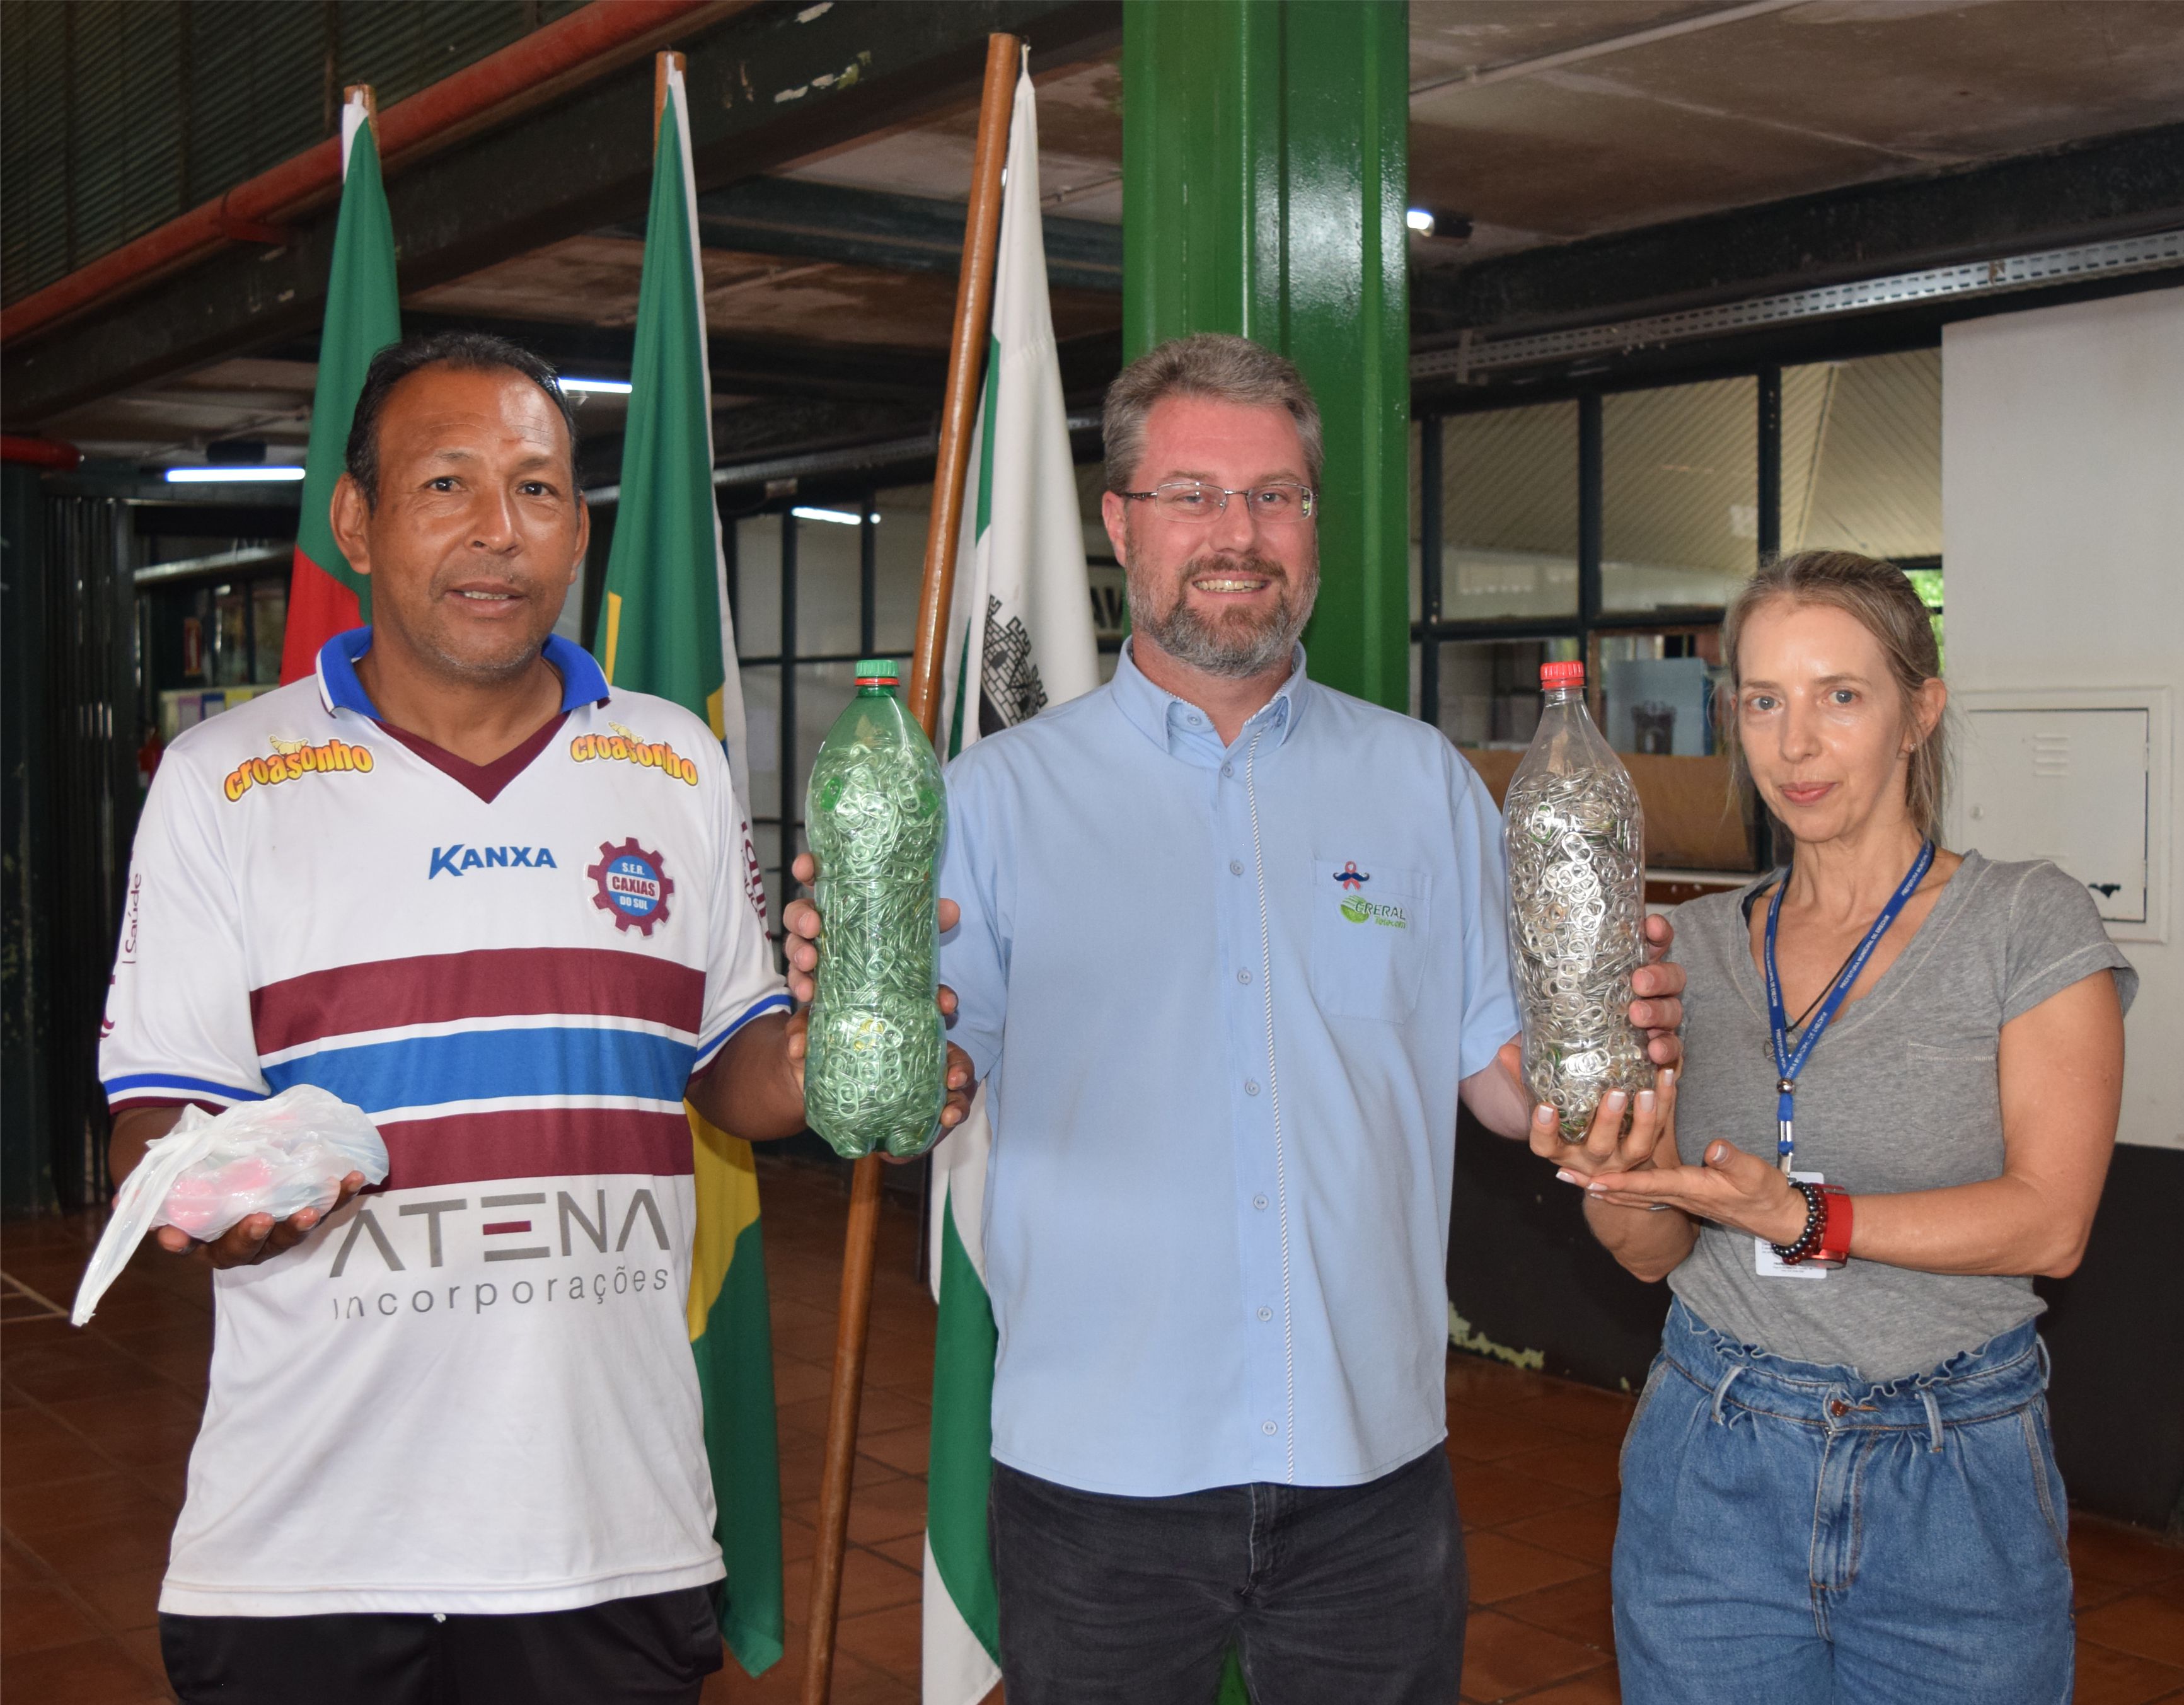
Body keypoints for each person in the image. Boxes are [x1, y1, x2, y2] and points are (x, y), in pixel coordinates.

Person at [785, 333, 1687, 1704]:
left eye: (1272, 496)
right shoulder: (986, 799)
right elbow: (931, 1090)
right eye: (1191, 494)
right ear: (1117, 523)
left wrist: (1600, 1044)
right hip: (1096, 1475)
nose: (1236, 534)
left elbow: (1499, 1074)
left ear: (1312, 523)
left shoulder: (1422, 784)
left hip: (1369, 1468)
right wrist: (869, 1028)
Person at [100, 331, 969, 1705]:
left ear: (579, 526)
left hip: (605, 1535)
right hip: (306, 1550)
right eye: (445, 484)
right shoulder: (228, 780)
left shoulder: (668, 760)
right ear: (356, 521)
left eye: (540, 490)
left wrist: (843, 1043)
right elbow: (156, 1112)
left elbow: (730, 1070)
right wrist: (206, 1193)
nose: (498, 532)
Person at [1545, 550, 2133, 1705]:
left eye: (1839, 696)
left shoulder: (2025, 919)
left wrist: (1799, 1215)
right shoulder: (1693, 951)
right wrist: (1617, 1177)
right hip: (1712, 1456)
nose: (1794, 743)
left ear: (1920, 708)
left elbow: (2050, 1222)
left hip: (1950, 1472)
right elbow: (1662, 1254)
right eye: (1762, 700)